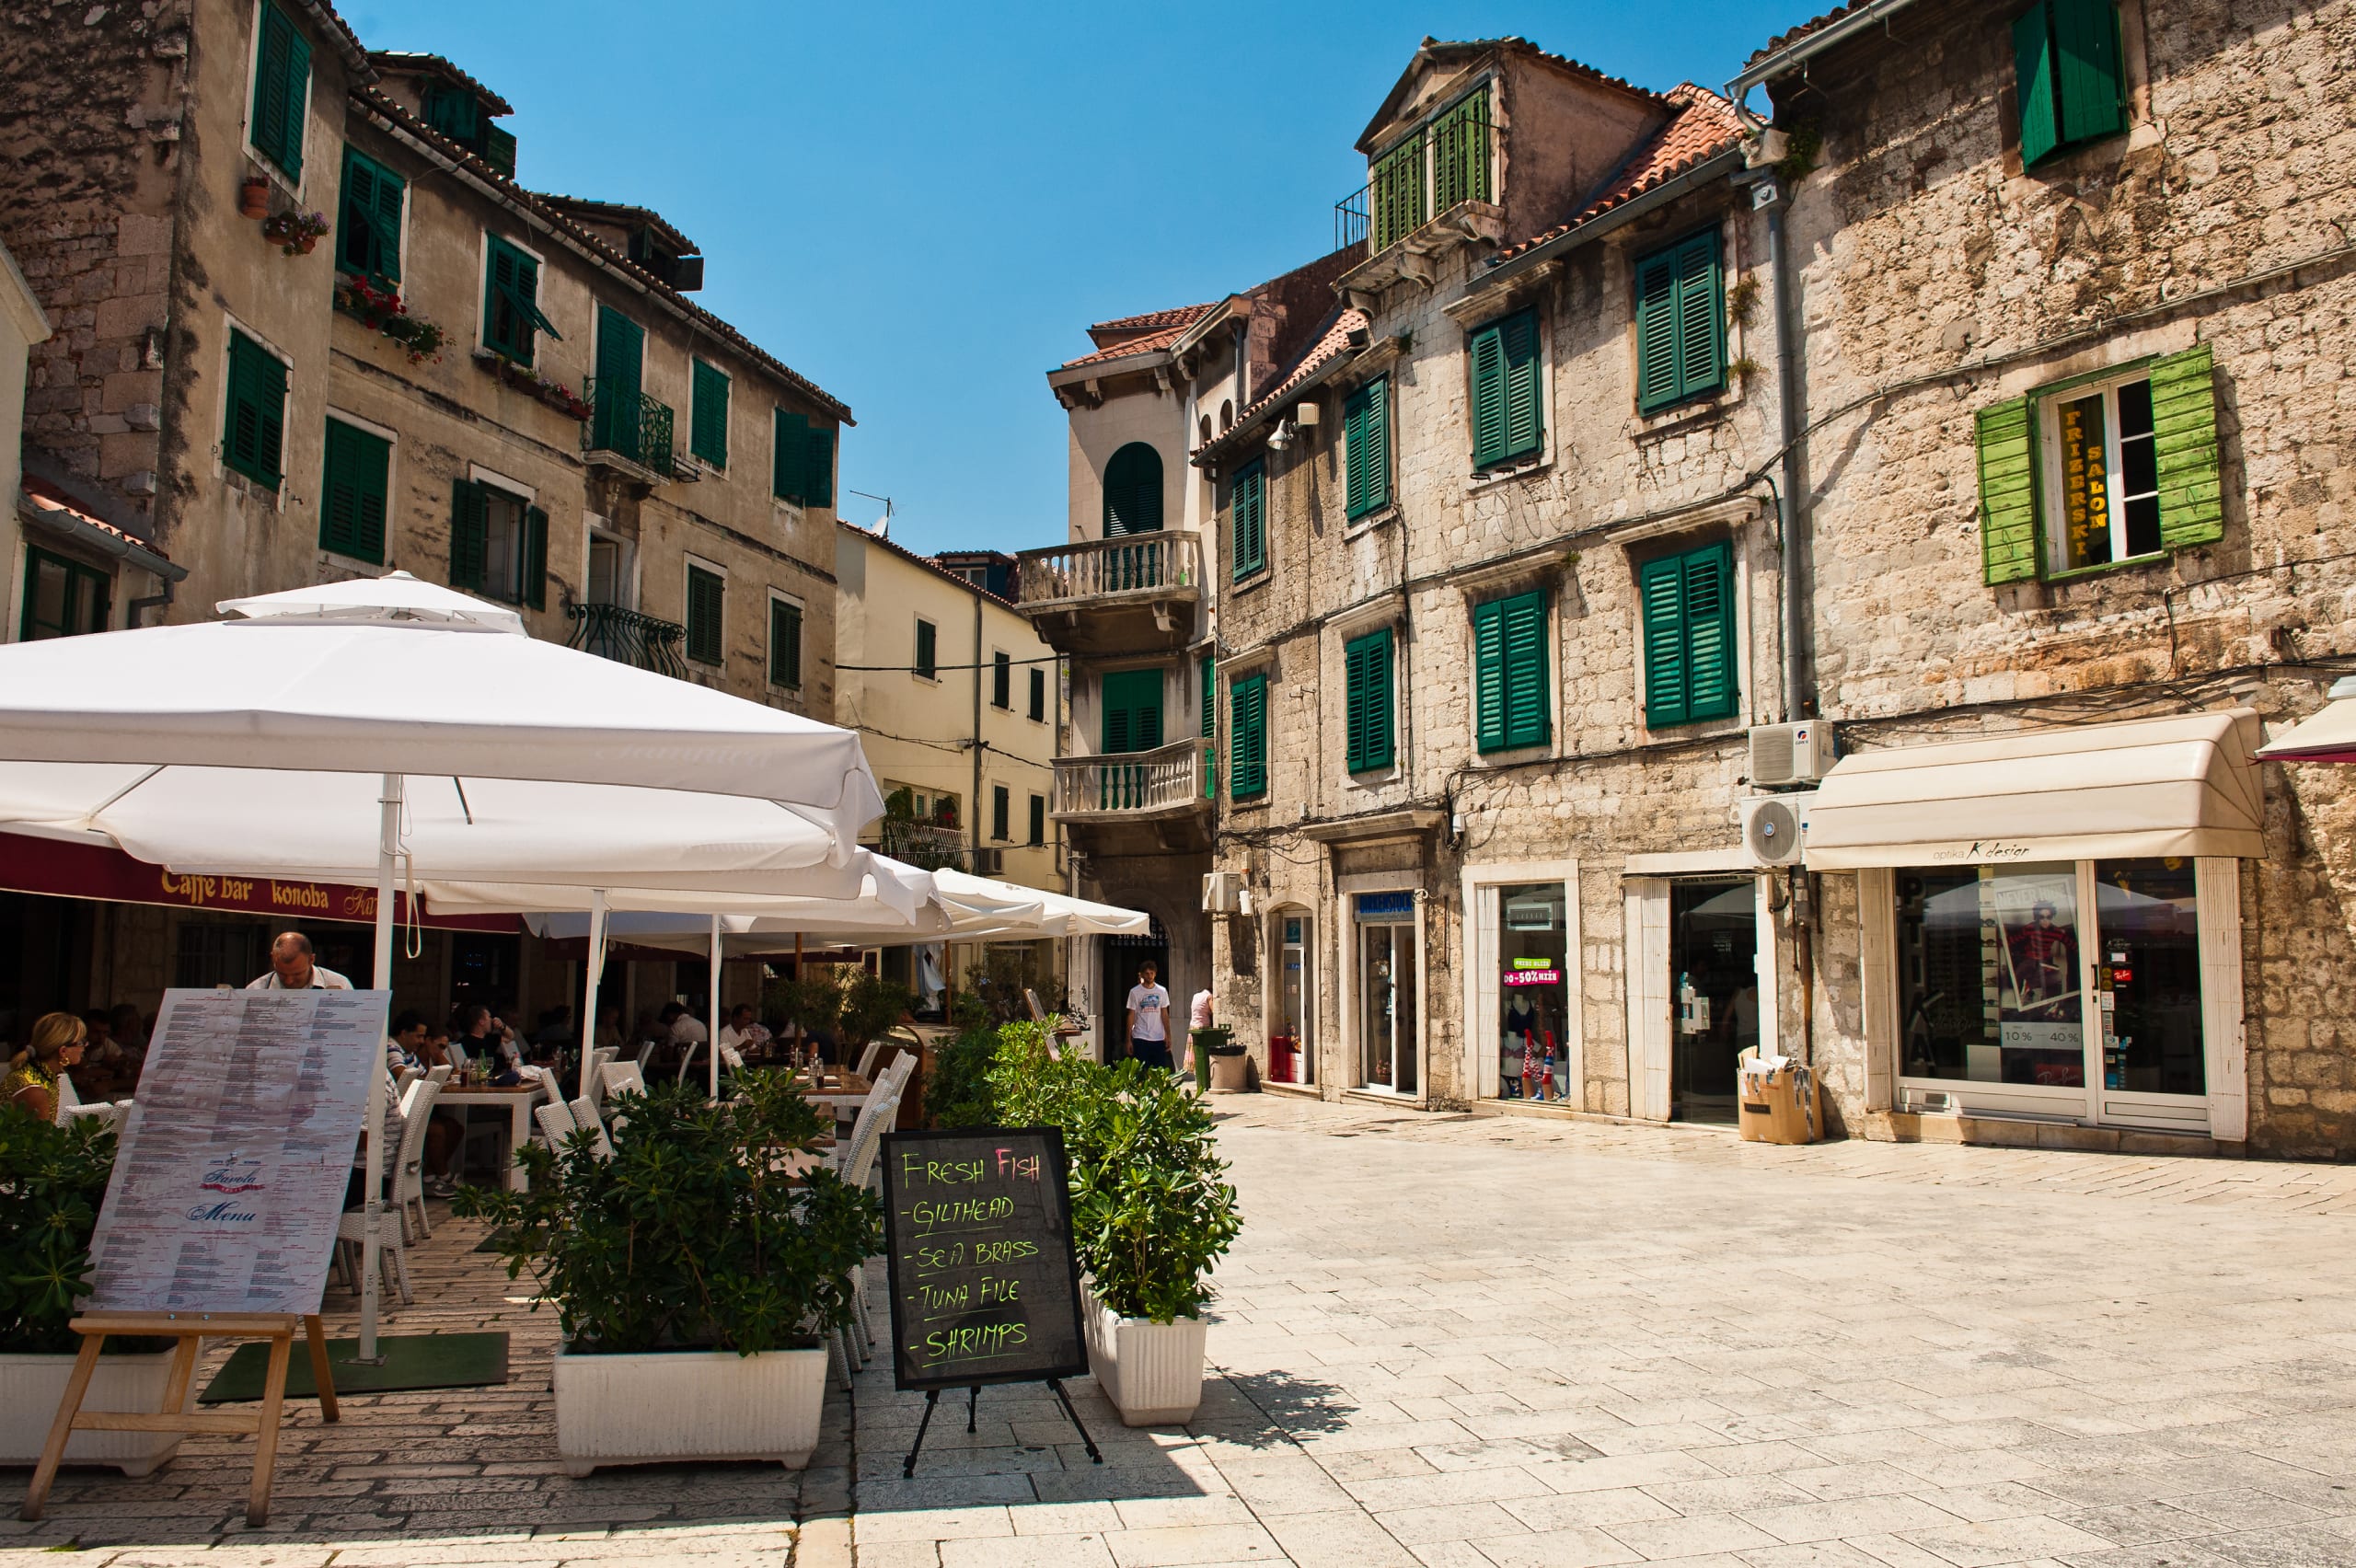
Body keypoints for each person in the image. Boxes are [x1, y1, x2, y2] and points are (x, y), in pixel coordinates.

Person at [5, 1012, 87, 1121]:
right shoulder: (34, 1091)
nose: (86, 1045)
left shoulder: (54, 1074)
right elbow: (42, 1137)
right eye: (81, 1043)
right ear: (63, 1051)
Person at [247, 931, 352, 991]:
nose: (289, 981)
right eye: (282, 974)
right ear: (272, 958)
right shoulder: (255, 990)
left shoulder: (340, 984)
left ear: (311, 959)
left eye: (297, 974)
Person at [1125, 962, 1173, 1071]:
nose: (1149, 976)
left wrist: (1168, 1035)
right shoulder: (1134, 992)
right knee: (1142, 1072)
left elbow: (1164, 1014)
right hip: (1140, 1036)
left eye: (1152, 973)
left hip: (1158, 1037)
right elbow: (1131, 1015)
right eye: (1146, 973)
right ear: (1141, 974)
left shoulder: (1162, 991)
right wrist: (1128, 1039)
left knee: (1159, 1072)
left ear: (1155, 974)